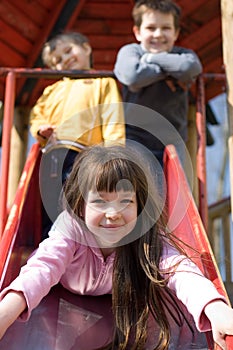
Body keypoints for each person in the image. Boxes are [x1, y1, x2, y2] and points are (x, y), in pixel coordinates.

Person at [0, 144, 232, 349]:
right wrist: (5, 312)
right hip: (64, 313)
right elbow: (42, 268)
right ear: (80, 205)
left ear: (139, 205)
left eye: (125, 202)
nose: (113, 214)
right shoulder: (71, 230)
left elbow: (181, 271)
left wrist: (215, 309)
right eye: (100, 201)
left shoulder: (146, 236)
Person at [29, 32, 125, 231]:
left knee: (76, 200)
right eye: (58, 60)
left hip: (84, 154)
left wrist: (114, 154)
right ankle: (50, 243)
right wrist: (40, 129)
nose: (65, 59)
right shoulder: (52, 90)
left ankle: (78, 244)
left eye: (68, 50)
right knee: (50, 201)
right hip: (52, 155)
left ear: (86, 48)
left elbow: (112, 118)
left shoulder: (101, 81)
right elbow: (37, 114)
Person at [114, 0, 202, 172]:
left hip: (173, 139)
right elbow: (132, 76)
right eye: (151, 28)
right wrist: (169, 70)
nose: (158, 34)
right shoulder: (131, 51)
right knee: (141, 189)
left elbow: (188, 68)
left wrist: (151, 60)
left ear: (176, 33)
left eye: (166, 28)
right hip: (135, 137)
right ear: (138, 32)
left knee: (176, 193)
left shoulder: (183, 54)